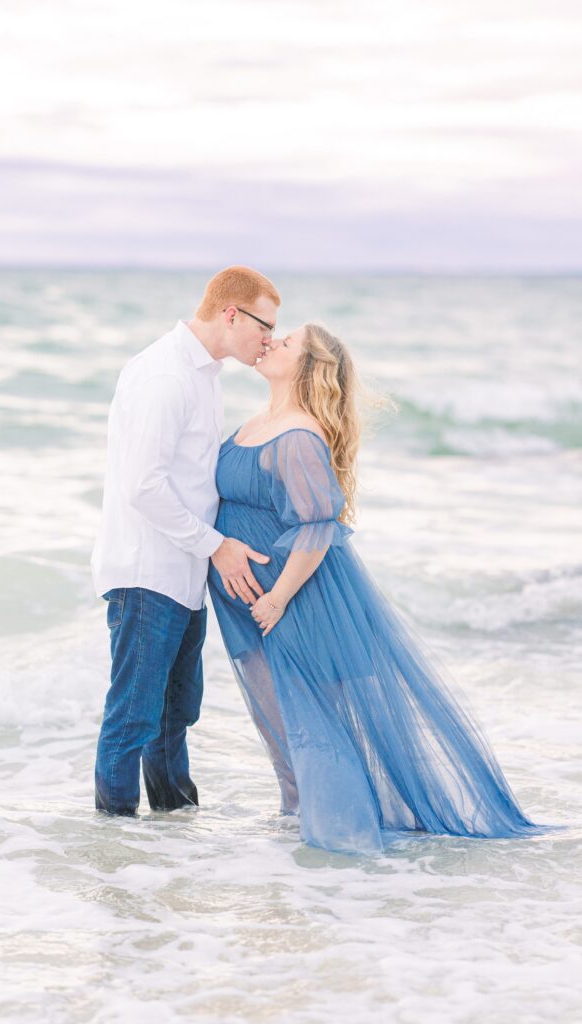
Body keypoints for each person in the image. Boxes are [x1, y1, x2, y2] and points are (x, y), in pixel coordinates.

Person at [208, 322, 557, 854]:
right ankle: (302, 835)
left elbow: (317, 524)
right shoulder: (258, 422)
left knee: (313, 723)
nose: (273, 341)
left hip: (295, 598)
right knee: (278, 724)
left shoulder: (298, 434)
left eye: (288, 342)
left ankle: (342, 854)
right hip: (253, 601)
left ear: (309, 366)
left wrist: (278, 597)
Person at [91, 266, 280, 815]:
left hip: (184, 574)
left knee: (175, 716)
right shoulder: (163, 374)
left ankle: (174, 841)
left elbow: (194, 479)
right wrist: (215, 544)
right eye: (265, 325)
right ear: (231, 314)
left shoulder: (206, 376)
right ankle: (116, 850)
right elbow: (142, 486)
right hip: (147, 572)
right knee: (133, 719)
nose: (268, 337)